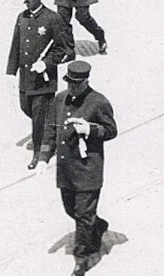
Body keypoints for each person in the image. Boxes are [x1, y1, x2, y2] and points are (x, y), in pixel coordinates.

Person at [38, 60, 117, 276]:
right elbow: (51, 130)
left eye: (76, 84)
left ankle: (82, 259)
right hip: (66, 169)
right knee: (70, 209)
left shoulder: (98, 102)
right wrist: (44, 156)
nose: (71, 87)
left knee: (82, 216)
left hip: (88, 169)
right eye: (69, 83)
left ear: (85, 82)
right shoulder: (60, 99)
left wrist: (90, 129)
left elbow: (111, 130)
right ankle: (97, 225)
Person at [7, 0, 73, 168]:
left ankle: (39, 153)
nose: (26, 0)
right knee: (25, 107)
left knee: (38, 118)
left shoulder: (52, 19)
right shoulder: (22, 17)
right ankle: (51, 132)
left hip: (43, 80)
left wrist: (47, 63)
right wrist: (12, 69)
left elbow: (65, 48)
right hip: (26, 77)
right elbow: (16, 44)